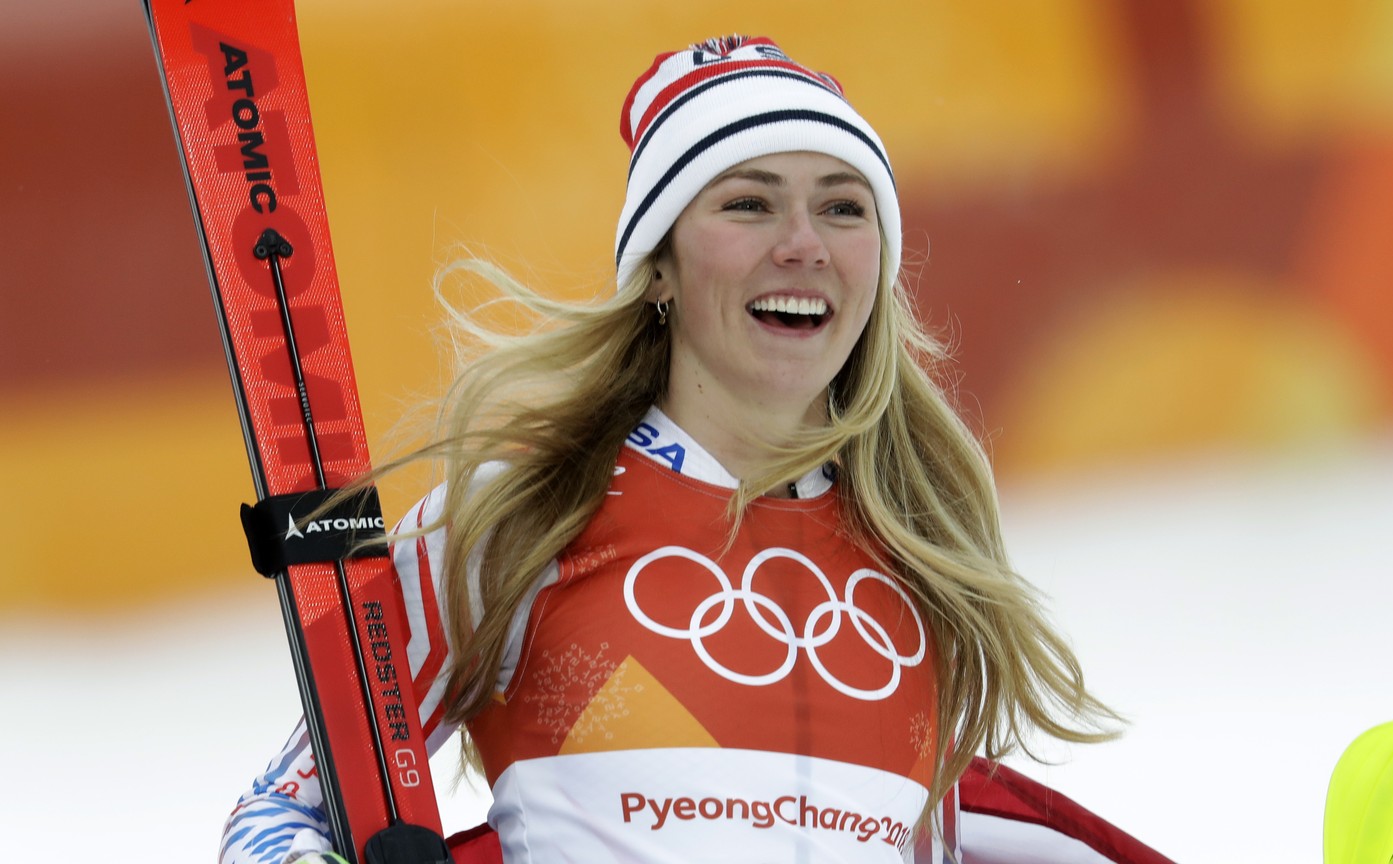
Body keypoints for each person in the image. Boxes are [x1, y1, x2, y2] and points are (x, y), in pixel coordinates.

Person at [220, 35, 1173, 864]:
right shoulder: (521, 516)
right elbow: (278, 812)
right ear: (660, 264)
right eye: (749, 204)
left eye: (844, 209)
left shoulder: (925, 554)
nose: (803, 243)